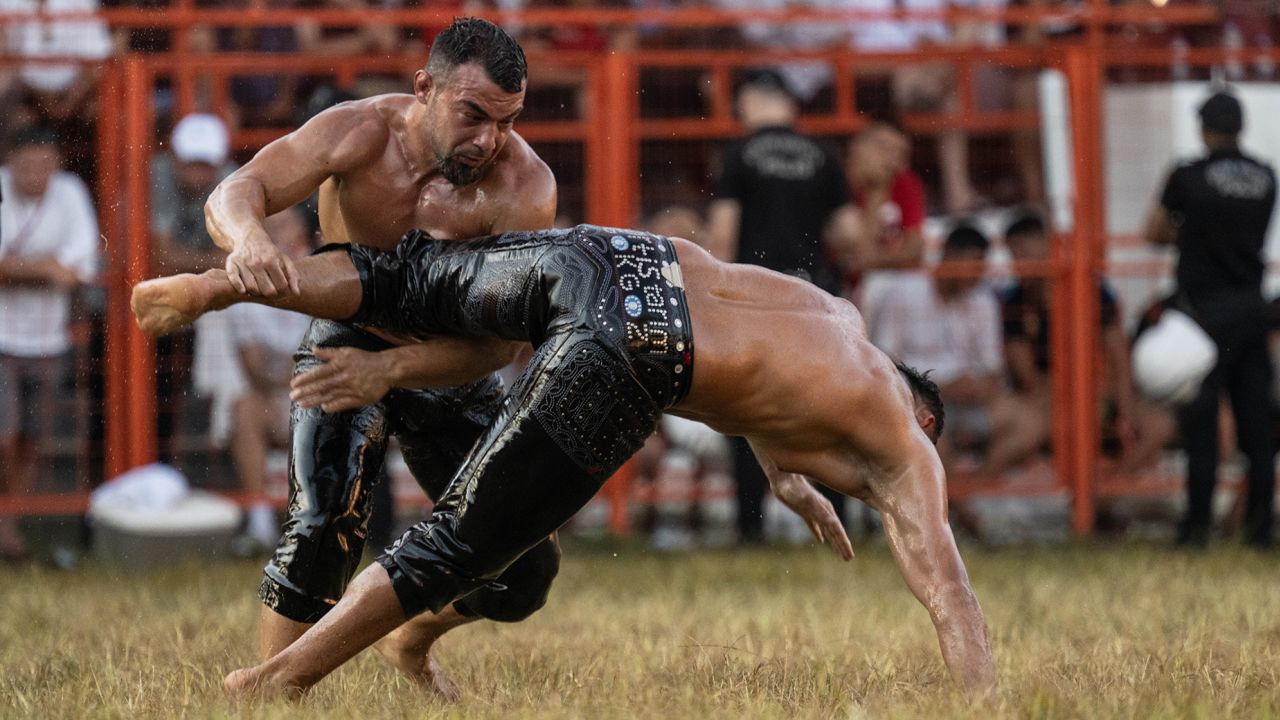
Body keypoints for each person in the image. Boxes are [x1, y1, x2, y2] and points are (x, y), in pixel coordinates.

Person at [132, 224, 997, 696]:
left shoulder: (839, 317)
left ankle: (228, 281)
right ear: (921, 416)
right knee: (460, 544)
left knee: (414, 275)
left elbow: (769, 378)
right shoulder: (905, 449)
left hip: (616, 254)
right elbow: (951, 593)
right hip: (644, 348)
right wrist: (985, 700)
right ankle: (272, 683)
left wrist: (780, 468)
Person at [201, 17, 557, 695]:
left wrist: (392, 371)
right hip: (348, 334)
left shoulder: (523, 188)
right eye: (473, 114)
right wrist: (247, 239)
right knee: (322, 521)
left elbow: (496, 344)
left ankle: (411, 636)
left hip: (451, 359)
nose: (489, 140)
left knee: (526, 569)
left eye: (506, 122)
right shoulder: (358, 130)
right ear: (424, 87)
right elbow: (237, 189)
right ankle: (274, 695)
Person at [705, 68, 852, 544]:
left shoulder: (739, 155)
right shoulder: (823, 156)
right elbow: (847, 236)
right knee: (826, 411)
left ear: (749, 100)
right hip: (815, 301)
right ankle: (840, 524)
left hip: (757, 303)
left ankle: (752, 528)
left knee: (748, 412)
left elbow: (724, 237)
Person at [1145, 91, 1277, 548]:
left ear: (1204, 129)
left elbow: (1155, 231)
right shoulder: (1265, 177)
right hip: (1249, 310)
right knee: (1256, 425)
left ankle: (1197, 528)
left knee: (1200, 426)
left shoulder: (1187, 175)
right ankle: (1261, 529)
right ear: (1240, 127)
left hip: (1200, 316)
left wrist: (1192, 231)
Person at [0, 126, 99, 560]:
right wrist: (46, 268)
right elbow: (62, 268)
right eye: (26, 166)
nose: (36, 174)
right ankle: (6, 523)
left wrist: (18, 268)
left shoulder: (70, 192)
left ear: (56, 165)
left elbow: (83, 263)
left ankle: (10, 523)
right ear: (10, 164)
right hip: (2, 338)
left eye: (44, 165)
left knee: (32, 440)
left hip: (49, 340)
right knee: (3, 436)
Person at [223, 208, 316, 552]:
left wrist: (287, 369)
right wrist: (292, 368)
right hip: (276, 396)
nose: (277, 237)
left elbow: (323, 362)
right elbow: (255, 373)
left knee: (316, 404)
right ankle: (260, 523)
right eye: (269, 229)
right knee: (244, 409)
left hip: (313, 394)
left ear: (303, 237)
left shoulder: (322, 273)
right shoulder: (242, 283)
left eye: (284, 227)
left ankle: (305, 525)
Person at [872, 225, 1003, 468]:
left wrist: (977, 390)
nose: (977, 274)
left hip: (971, 403)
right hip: (915, 402)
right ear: (948, 256)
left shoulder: (983, 300)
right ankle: (961, 502)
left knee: (1030, 420)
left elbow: (993, 370)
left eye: (981, 266)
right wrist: (941, 390)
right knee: (930, 435)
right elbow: (883, 365)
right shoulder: (904, 291)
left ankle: (970, 493)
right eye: (972, 264)